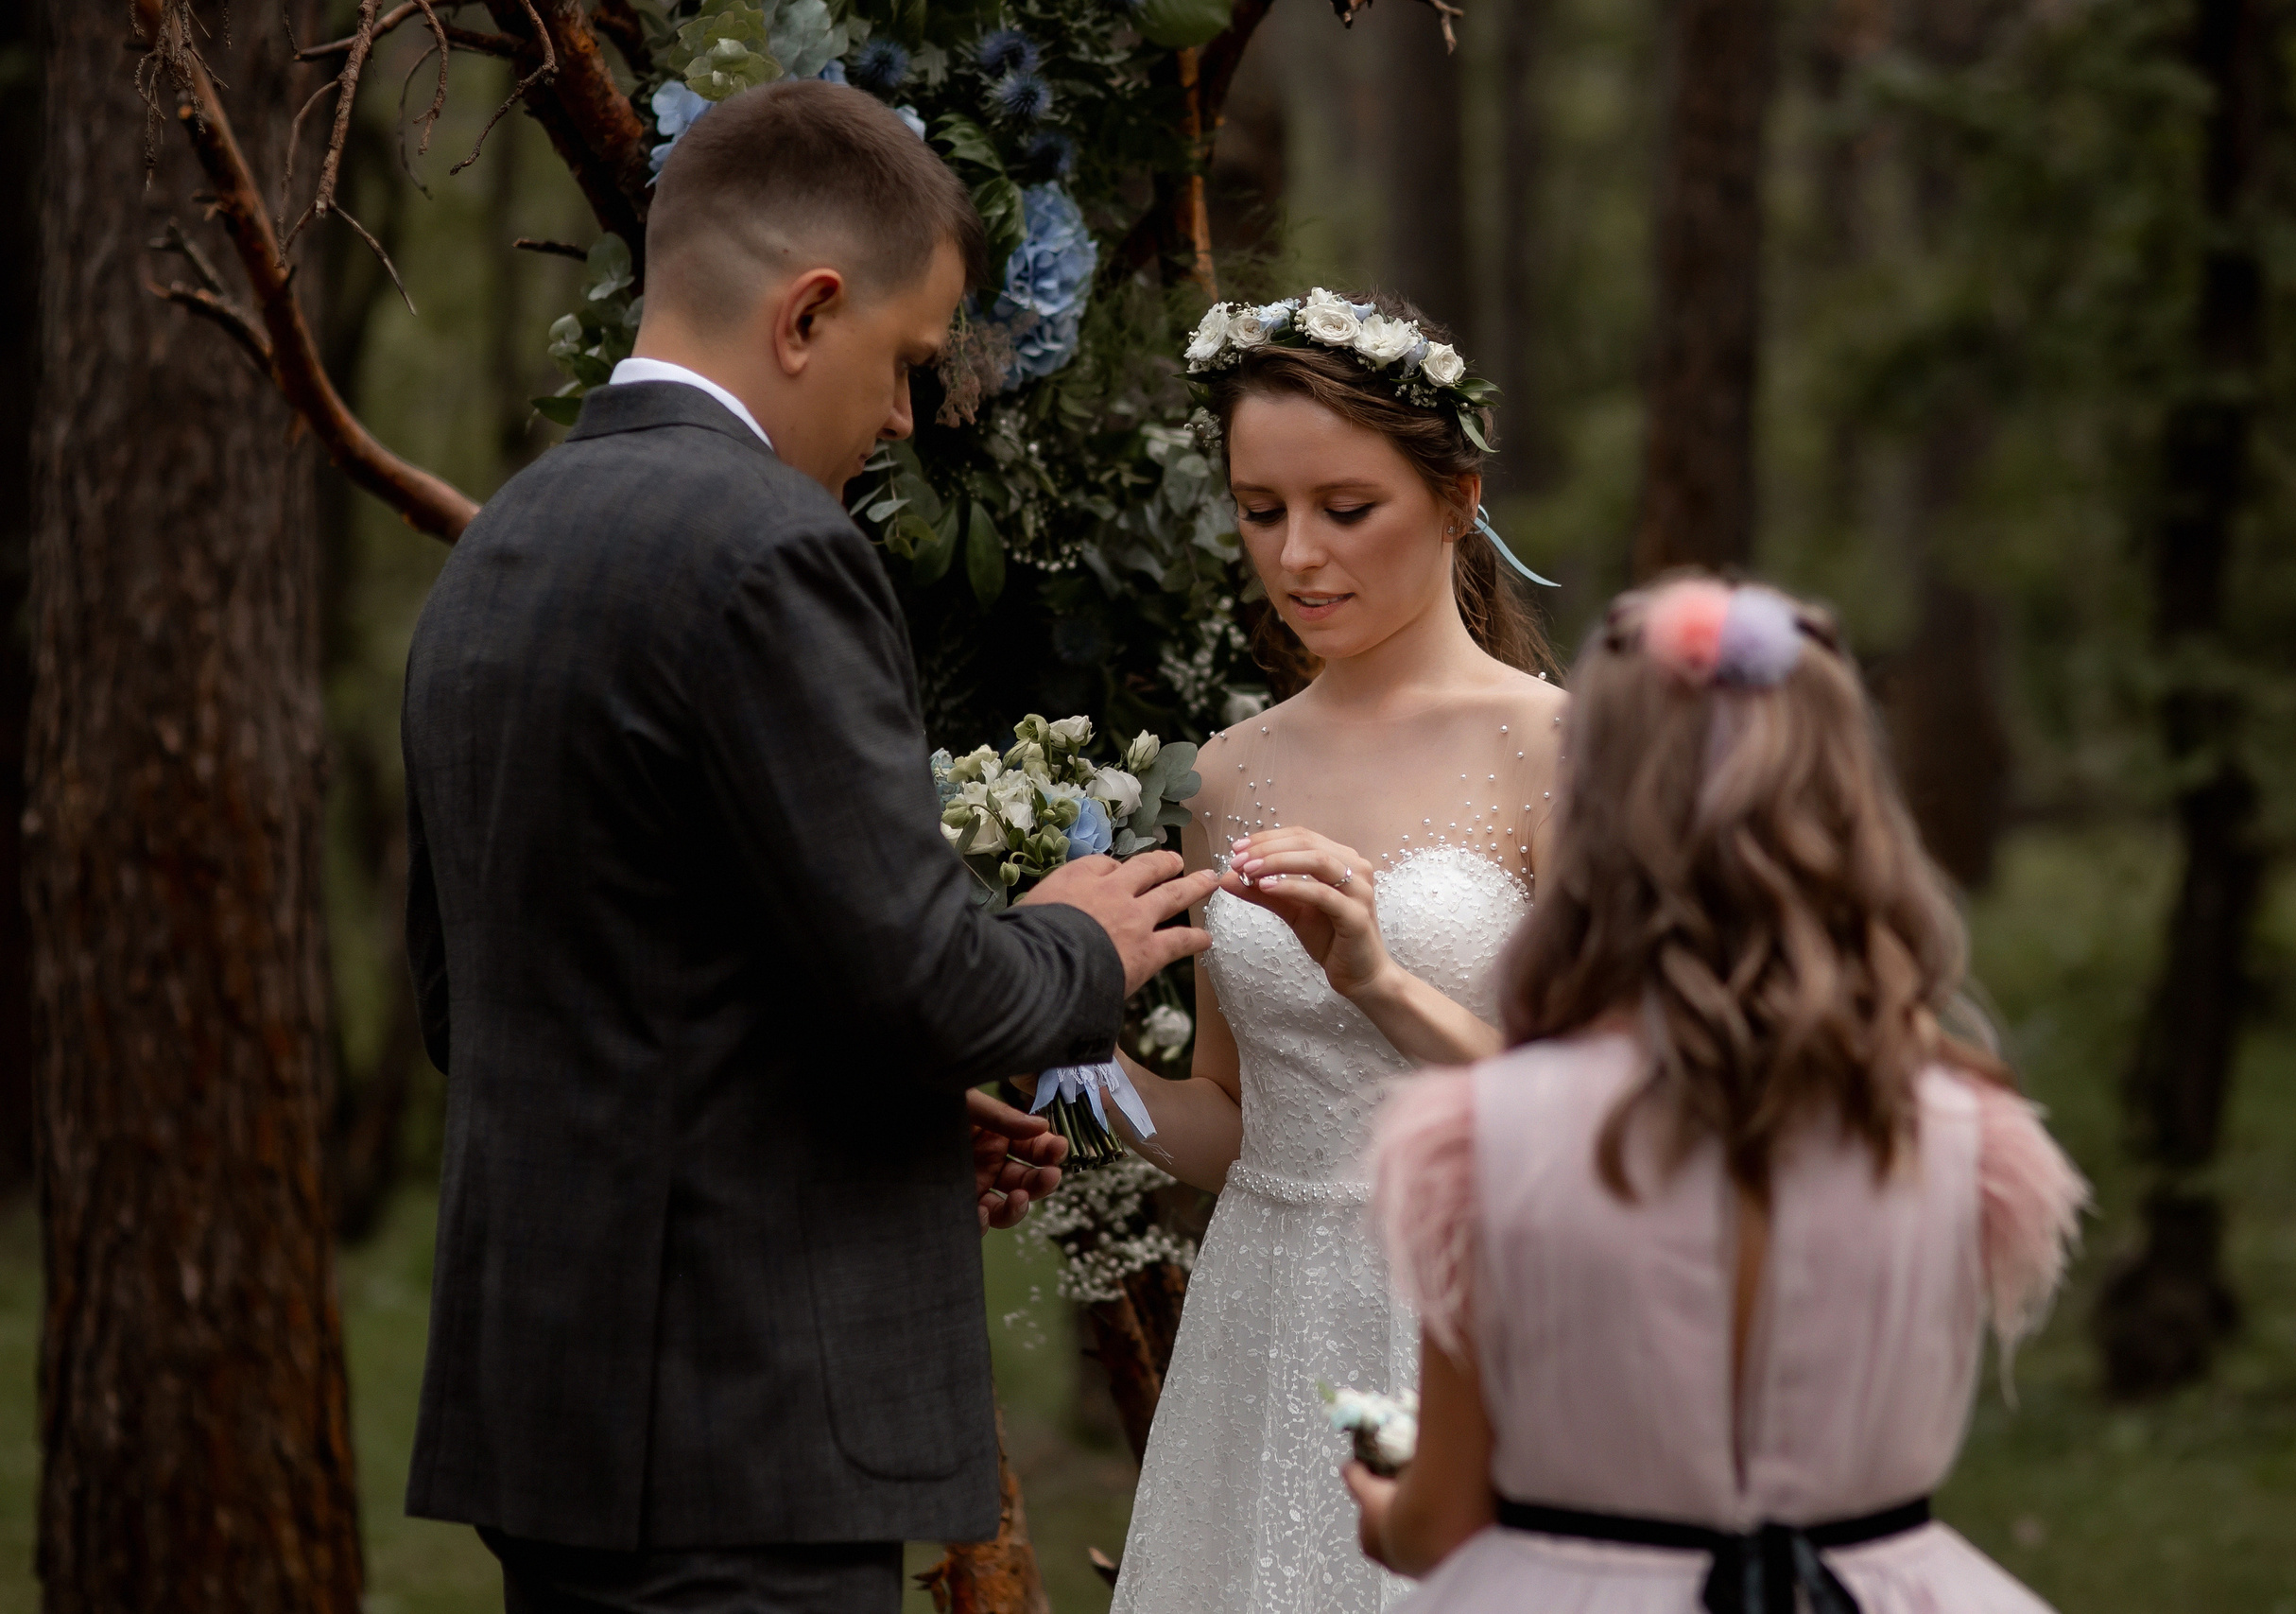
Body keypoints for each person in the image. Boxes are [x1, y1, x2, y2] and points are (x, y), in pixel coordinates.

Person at [399, 79, 1219, 1614]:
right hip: (744, 1429)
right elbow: (933, 976)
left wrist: (883, 1108)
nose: (904, 417)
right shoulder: (773, 550)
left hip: (562, 1425)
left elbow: (502, 1006)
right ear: (808, 313)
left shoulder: (497, 553)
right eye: (904, 363)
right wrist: (1076, 943)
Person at [1341, 577, 2089, 1614]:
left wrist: (1389, 1514)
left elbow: (1443, 1521)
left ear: (1593, 808)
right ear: (1846, 800)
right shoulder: (1962, 1131)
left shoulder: (1483, 1138)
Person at [1096, 290, 1567, 1614]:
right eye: (1261, 509)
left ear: (1459, 496)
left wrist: (1380, 978)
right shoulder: (1233, 771)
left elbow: (1597, 1111)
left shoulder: (1559, 749)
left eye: (1345, 508)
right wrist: (1077, 1057)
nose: (1297, 554)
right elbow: (1232, 1122)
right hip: (1263, 1318)